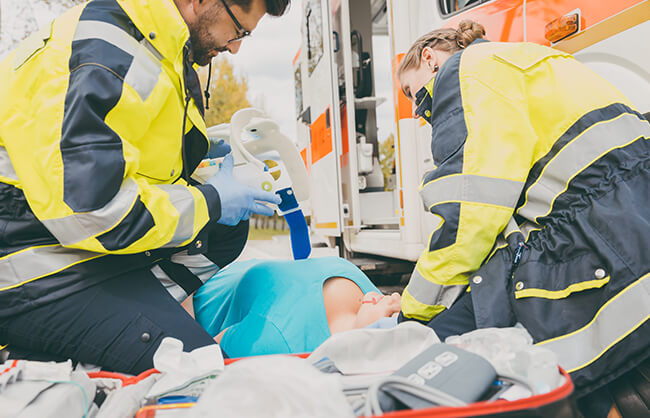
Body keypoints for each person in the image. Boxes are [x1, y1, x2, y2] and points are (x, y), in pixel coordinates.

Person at [0, 0, 290, 374]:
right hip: (30, 265)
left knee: (224, 230)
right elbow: (93, 212)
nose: (235, 47)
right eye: (238, 30)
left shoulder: (158, 48)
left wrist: (210, 171)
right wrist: (210, 199)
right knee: (193, 368)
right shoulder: (110, 55)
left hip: (66, 241)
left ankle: (134, 320)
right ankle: (37, 349)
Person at [396, 20, 649, 417]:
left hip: (596, 231)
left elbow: (469, 218)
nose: (417, 113)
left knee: (456, 340)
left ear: (429, 59)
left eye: (414, 95)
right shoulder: (525, 56)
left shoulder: (463, 71)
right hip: (628, 212)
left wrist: (412, 314)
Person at [190, 257, 401, 357]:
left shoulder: (277, 342)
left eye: (392, 315)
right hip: (216, 265)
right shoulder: (364, 293)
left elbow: (201, 357)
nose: (394, 297)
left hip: (190, 292)